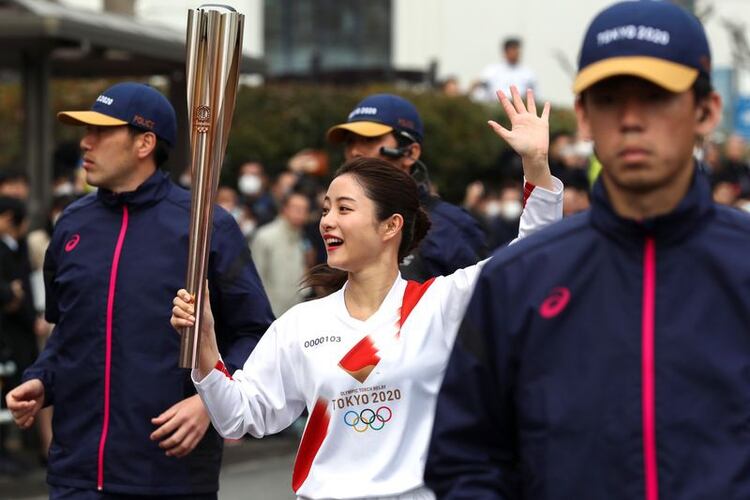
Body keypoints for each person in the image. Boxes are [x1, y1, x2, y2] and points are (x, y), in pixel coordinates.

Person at [171, 88, 563, 499]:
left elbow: (533, 262)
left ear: (390, 226)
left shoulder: (439, 304)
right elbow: (238, 416)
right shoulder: (301, 325)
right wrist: (207, 351)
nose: (326, 222)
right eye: (325, 209)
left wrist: (535, 164)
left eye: (344, 209)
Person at [425, 2, 749, 498]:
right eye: (610, 99)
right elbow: (466, 459)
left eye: (657, 97)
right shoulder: (518, 280)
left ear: (706, 111)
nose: (631, 120)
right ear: (583, 115)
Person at [5, 82, 274, 498]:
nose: (85, 143)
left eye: (101, 132)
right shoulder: (72, 226)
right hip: (76, 474)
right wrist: (43, 380)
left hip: (169, 474)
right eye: (85, 131)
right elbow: (68, 335)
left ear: (144, 142)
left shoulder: (207, 226)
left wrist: (210, 403)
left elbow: (257, 334)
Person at [327, 93, 488, 282]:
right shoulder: (338, 223)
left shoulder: (451, 227)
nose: (354, 151)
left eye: (369, 140)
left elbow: (484, 303)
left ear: (411, 153)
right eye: (350, 141)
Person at [250, 191, 312, 316]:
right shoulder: (265, 236)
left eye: (304, 209)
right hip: (269, 312)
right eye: (296, 208)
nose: (301, 213)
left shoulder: (301, 237)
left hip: (295, 310)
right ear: (285, 209)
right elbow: (255, 277)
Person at [471, 37, 538, 103]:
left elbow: (536, 96)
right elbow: (479, 90)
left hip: (520, 108)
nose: (516, 52)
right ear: (505, 51)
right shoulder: (491, 71)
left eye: (517, 49)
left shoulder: (528, 73)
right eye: (513, 49)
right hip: (496, 108)